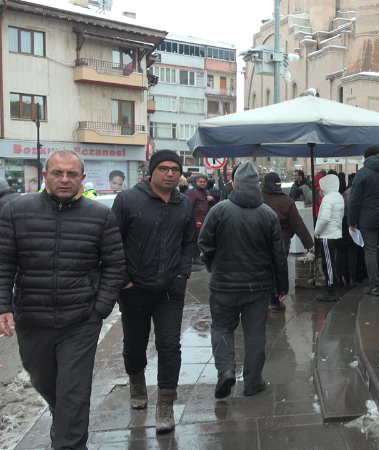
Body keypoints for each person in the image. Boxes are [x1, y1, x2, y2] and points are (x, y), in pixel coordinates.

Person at [0, 149, 126, 449]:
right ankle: (63, 416)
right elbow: (4, 261)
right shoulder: (17, 211)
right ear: (45, 176)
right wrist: (3, 305)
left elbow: (115, 265)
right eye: (58, 173)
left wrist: (100, 309)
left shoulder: (100, 216)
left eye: (72, 174)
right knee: (44, 382)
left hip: (80, 320)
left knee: (74, 391)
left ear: (82, 178)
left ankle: (69, 442)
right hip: (33, 317)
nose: (64, 179)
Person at [111, 149, 196, 433]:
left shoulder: (184, 204)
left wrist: (182, 274)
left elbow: (188, 243)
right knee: (134, 346)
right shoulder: (127, 200)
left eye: (174, 168)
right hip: (134, 289)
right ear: (152, 171)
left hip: (170, 290)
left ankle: (165, 405)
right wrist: (124, 280)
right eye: (163, 168)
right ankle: (136, 383)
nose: (170, 173)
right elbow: (112, 243)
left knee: (170, 346)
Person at [199, 161, 290, 398]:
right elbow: (278, 254)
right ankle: (252, 382)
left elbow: (205, 244)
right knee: (255, 334)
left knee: (222, 328)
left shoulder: (219, 210)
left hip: (223, 286)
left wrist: (213, 266)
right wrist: (282, 286)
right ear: (258, 186)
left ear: (234, 183)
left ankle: (226, 371)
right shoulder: (268, 214)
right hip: (257, 287)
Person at [261, 172, 314, 311]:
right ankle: (275, 301)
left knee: (264, 271)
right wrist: (310, 244)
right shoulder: (287, 201)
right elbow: (298, 224)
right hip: (282, 243)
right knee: (279, 271)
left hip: (261, 242)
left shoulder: (259, 199)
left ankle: (262, 301)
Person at [349, 145, 379, 296]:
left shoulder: (362, 173)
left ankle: (374, 286)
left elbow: (354, 200)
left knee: (370, 251)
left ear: (366, 157)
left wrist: (352, 220)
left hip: (368, 219)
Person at [314, 173, 345, 302]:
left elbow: (324, 218)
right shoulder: (338, 197)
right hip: (335, 233)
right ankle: (331, 285)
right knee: (331, 261)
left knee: (327, 263)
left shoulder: (327, 199)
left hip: (327, 234)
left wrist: (317, 231)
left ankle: (330, 289)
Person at [186, 173, 217, 264]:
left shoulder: (206, 192)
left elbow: (212, 205)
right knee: (196, 239)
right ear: (197, 182)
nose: (202, 183)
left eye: (204, 182)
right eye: (200, 182)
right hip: (196, 220)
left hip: (205, 219)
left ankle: (199, 256)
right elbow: (189, 207)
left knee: (202, 238)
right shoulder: (193, 192)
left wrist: (212, 200)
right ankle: (195, 257)